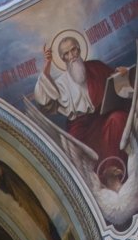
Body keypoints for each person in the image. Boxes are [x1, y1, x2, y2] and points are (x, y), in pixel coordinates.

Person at [34, 35, 132, 176]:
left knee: (118, 118)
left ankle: (114, 172)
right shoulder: (61, 84)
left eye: (73, 50)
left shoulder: (96, 67)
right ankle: (101, 178)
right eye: (66, 54)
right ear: (63, 58)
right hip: (80, 126)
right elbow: (43, 100)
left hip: (103, 116)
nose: (72, 56)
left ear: (79, 50)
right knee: (74, 148)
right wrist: (46, 67)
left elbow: (115, 82)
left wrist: (122, 73)